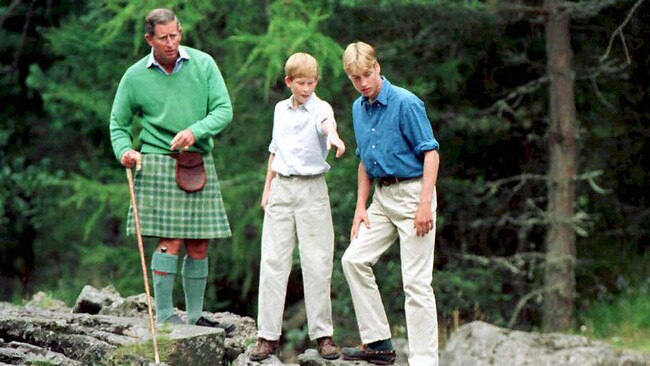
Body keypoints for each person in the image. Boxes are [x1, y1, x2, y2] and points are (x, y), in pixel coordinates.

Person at [109, 8, 234, 332]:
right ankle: (164, 315)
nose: (171, 43)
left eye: (175, 35)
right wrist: (124, 151)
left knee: (199, 244)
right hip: (156, 161)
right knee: (171, 240)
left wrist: (196, 131)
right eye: (163, 38)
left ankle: (194, 316)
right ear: (149, 39)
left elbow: (224, 110)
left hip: (197, 160)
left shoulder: (203, 64)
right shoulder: (135, 76)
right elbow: (118, 124)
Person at [339, 41, 441, 365]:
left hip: (414, 194)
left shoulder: (405, 103)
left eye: (367, 74)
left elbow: (431, 153)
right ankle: (379, 343)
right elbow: (364, 161)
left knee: (416, 283)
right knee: (353, 260)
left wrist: (425, 203)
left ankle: (424, 361)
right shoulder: (358, 108)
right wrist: (360, 206)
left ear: (377, 67)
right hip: (382, 198)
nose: (363, 82)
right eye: (356, 78)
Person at [250, 52, 346, 362]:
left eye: (312, 83)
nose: (306, 88)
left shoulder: (321, 107)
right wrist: (267, 189)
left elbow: (326, 124)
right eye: (301, 83)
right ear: (289, 82)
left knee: (316, 262)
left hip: (311, 189)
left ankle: (323, 335)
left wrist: (333, 137)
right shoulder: (280, 110)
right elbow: (274, 151)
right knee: (273, 261)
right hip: (281, 187)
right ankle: (267, 336)